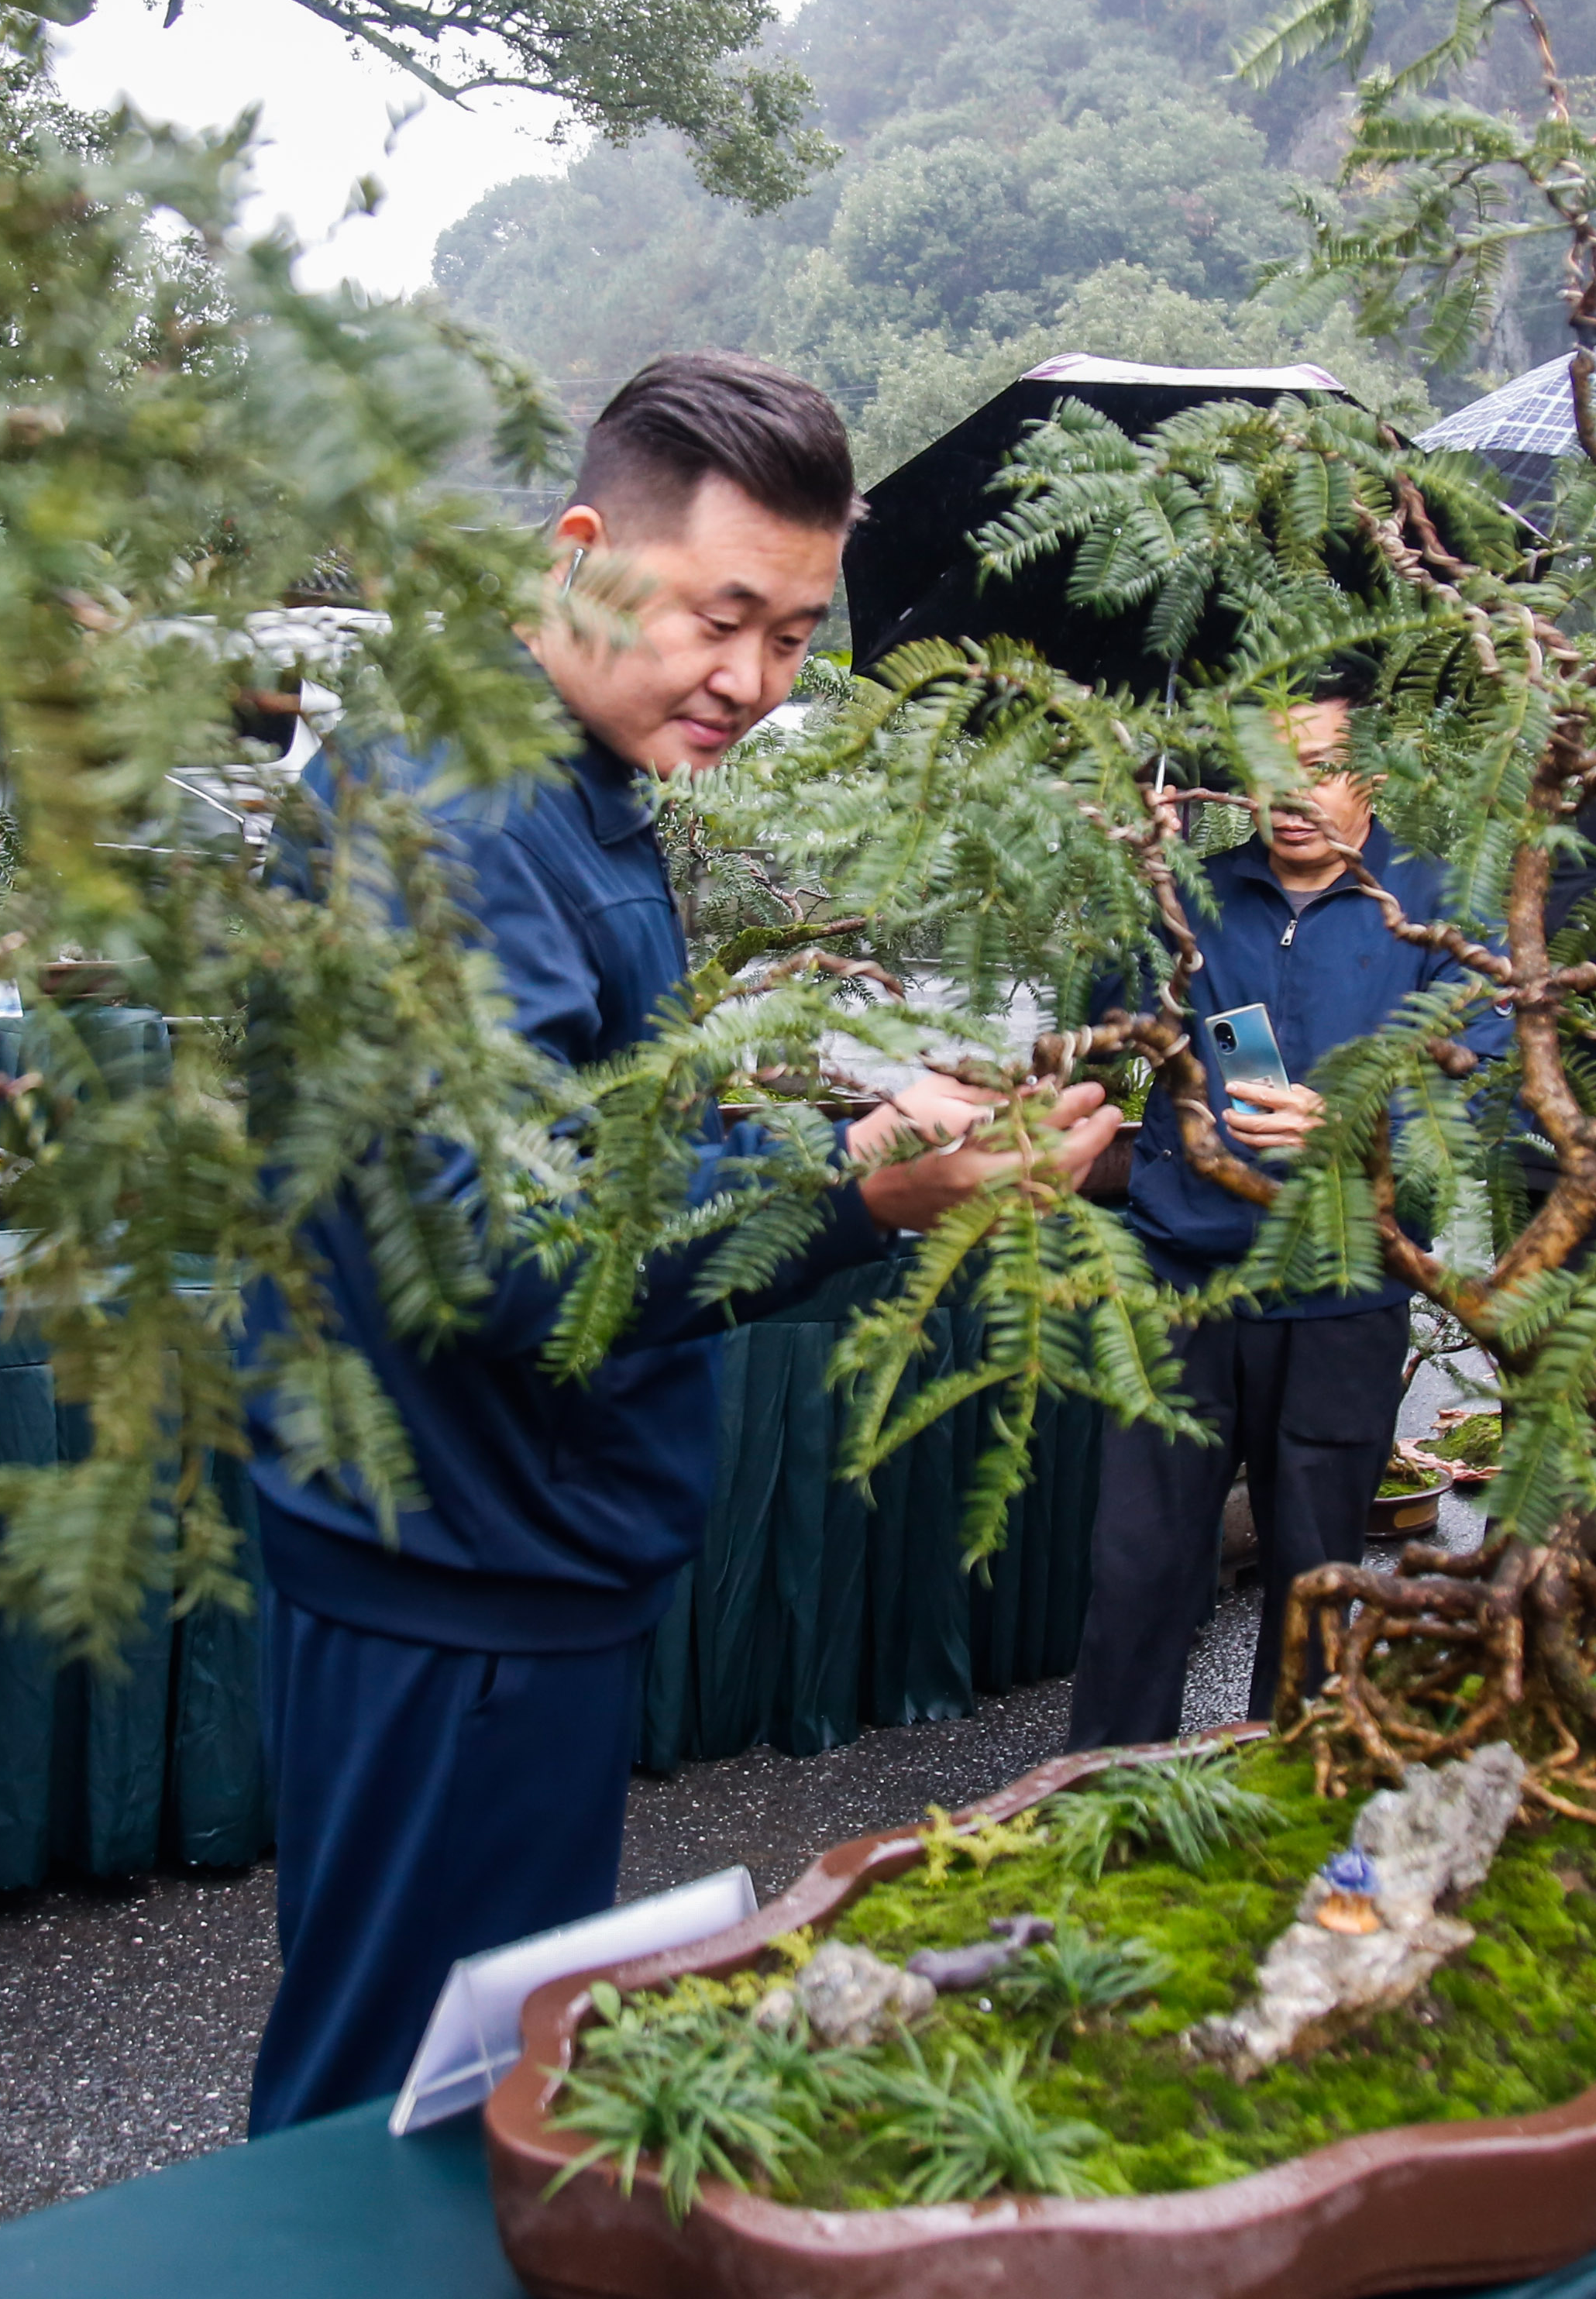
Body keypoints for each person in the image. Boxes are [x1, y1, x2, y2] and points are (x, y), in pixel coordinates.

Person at [237, 353, 1120, 2135]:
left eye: (792, 636)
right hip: (460, 1563)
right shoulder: (458, 824)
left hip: (505, 1545)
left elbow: (601, 1138)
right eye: (721, 619)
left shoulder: (566, 783)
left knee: (478, 2067)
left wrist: (834, 1139)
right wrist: (851, 1187)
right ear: (579, 555)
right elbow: (506, 1247)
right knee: (381, 2103)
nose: (751, 680)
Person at [1062, 687, 1498, 1748]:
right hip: (1187, 1277)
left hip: (1345, 1288)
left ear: (1375, 772)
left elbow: (1490, 1081)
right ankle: (1106, 1793)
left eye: (1320, 766)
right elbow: (1104, 1017)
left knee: (1316, 1577)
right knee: (1137, 1564)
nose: (1289, 796)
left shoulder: (1438, 908)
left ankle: (1293, 1784)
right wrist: (1136, 879)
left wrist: (1360, 1123)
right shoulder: (1199, 894)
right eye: (1265, 768)